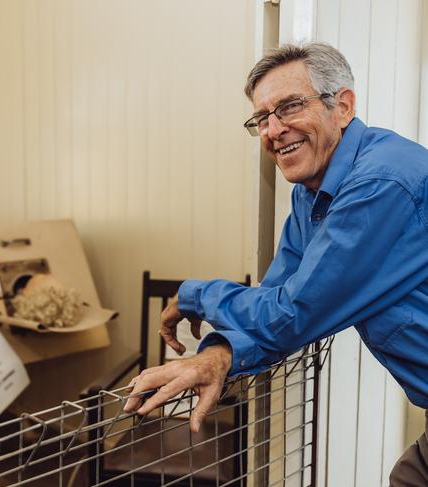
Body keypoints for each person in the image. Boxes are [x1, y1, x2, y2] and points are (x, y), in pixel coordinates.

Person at [123, 43, 428, 485]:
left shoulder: (379, 183)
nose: (273, 129)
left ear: (342, 106)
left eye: (288, 107)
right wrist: (219, 355)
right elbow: (276, 300)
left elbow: (293, 313)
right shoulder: (313, 192)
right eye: (261, 118)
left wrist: (195, 294)